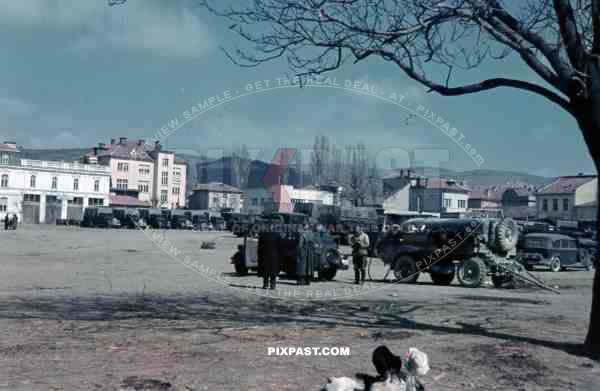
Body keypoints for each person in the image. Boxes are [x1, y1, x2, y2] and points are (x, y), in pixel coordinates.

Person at [258, 222, 281, 290]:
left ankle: (265, 285)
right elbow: (280, 247)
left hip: (265, 255)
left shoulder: (263, 235)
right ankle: (273, 285)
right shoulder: (277, 235)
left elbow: (259, 247)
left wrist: (259, 255)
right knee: (273, 271)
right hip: (274, 256)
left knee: (265, 271)